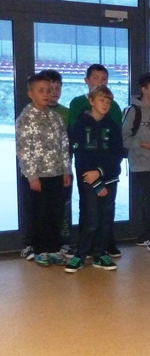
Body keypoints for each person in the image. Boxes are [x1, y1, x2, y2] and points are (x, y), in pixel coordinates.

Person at [65, 85, 125, 273]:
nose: (105, 104)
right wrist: (97, 182)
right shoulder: (80, 124)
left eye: (108, 102)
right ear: (91, 101)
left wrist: (101, 173)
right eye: (101, 100)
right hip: (89, 180)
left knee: (106, 218)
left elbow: (118, 154)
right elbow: (81, 157)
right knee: (91, 219)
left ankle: (100, 254)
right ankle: (80, 254)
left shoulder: (112, 126)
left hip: (110, 179)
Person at [15, 73, 71, 267]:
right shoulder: (26, 118)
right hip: (37, 177)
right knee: (39, 213)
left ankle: (53, 249)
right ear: (30, 94)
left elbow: (64, 144)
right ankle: (39, 249)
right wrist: (32, 176)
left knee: (55, 212)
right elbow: (23, 150)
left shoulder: (55, 118)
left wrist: (66, 169)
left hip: (57, 174)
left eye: (49, 90)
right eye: (41, 91)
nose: (47, 94)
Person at [123, 72, 150, 253]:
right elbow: (125, 139)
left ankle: (145, 235)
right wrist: (144, 145)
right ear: (144, 89)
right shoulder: (132, 111)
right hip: (139, 164)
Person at [39, 69, 73, 259]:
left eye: (57, 88)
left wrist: (67, 168)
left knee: (63, 206)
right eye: (48, 89)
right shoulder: (34, 113)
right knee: (43, 208)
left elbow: (69, 142)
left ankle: (63, 242)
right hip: (41, 172)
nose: (53, 93)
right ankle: (39, 246)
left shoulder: (66, 113)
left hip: (63, 169)